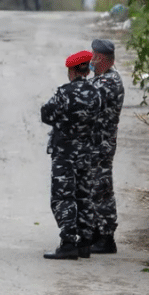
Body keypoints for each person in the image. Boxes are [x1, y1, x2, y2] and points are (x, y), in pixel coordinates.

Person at [40, 50, 102, 260]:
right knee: (84, 196)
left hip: (65, 154)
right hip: (86, 153)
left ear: (73, 70)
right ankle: (85, 243)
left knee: (62, 197)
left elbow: (46, 114)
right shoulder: (95, 93)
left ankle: (68, 243)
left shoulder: (64, 93)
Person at [89, 38, 124, 254]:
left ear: (101, 59)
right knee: (94, 188)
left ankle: (106, 237)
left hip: (101, 145)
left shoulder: (109, 82)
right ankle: (95, 232)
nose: (90, 60)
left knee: (101, 189)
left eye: (93, 57)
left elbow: (87, 102)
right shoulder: (102, 78)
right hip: (96, 144)